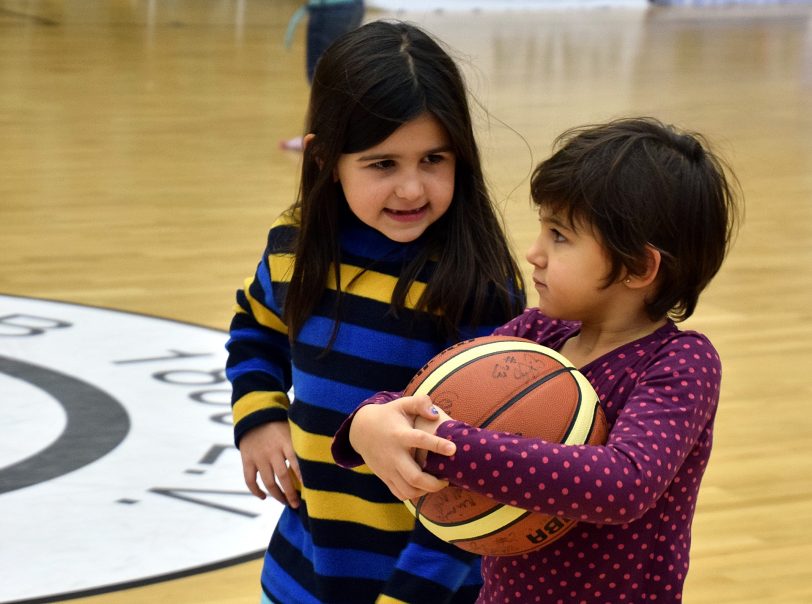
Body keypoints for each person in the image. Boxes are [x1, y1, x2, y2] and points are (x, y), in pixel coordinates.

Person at [333, 117, 741, 603]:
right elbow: (425, 403)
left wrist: (447, 444)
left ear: (637, 266)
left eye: (560, 236)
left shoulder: (680, 362)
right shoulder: (534, 333)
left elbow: (623, 484)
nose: (534, 253)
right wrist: (371, 418)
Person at [226, 20, 526, 604]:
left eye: (433, 159)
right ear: (323, 160)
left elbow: (476, 485)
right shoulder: (293, 246)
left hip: (419, 587)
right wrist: (258, 416)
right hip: (298, 577)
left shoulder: (477, 288)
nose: (412, 189)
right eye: (382, 164)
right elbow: (256, 331)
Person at [280, 0, 365, 151]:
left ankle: (324, 138)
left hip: (331, 10)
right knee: (339, 74)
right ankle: (330, 136)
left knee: (324, 78)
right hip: (349, 7)